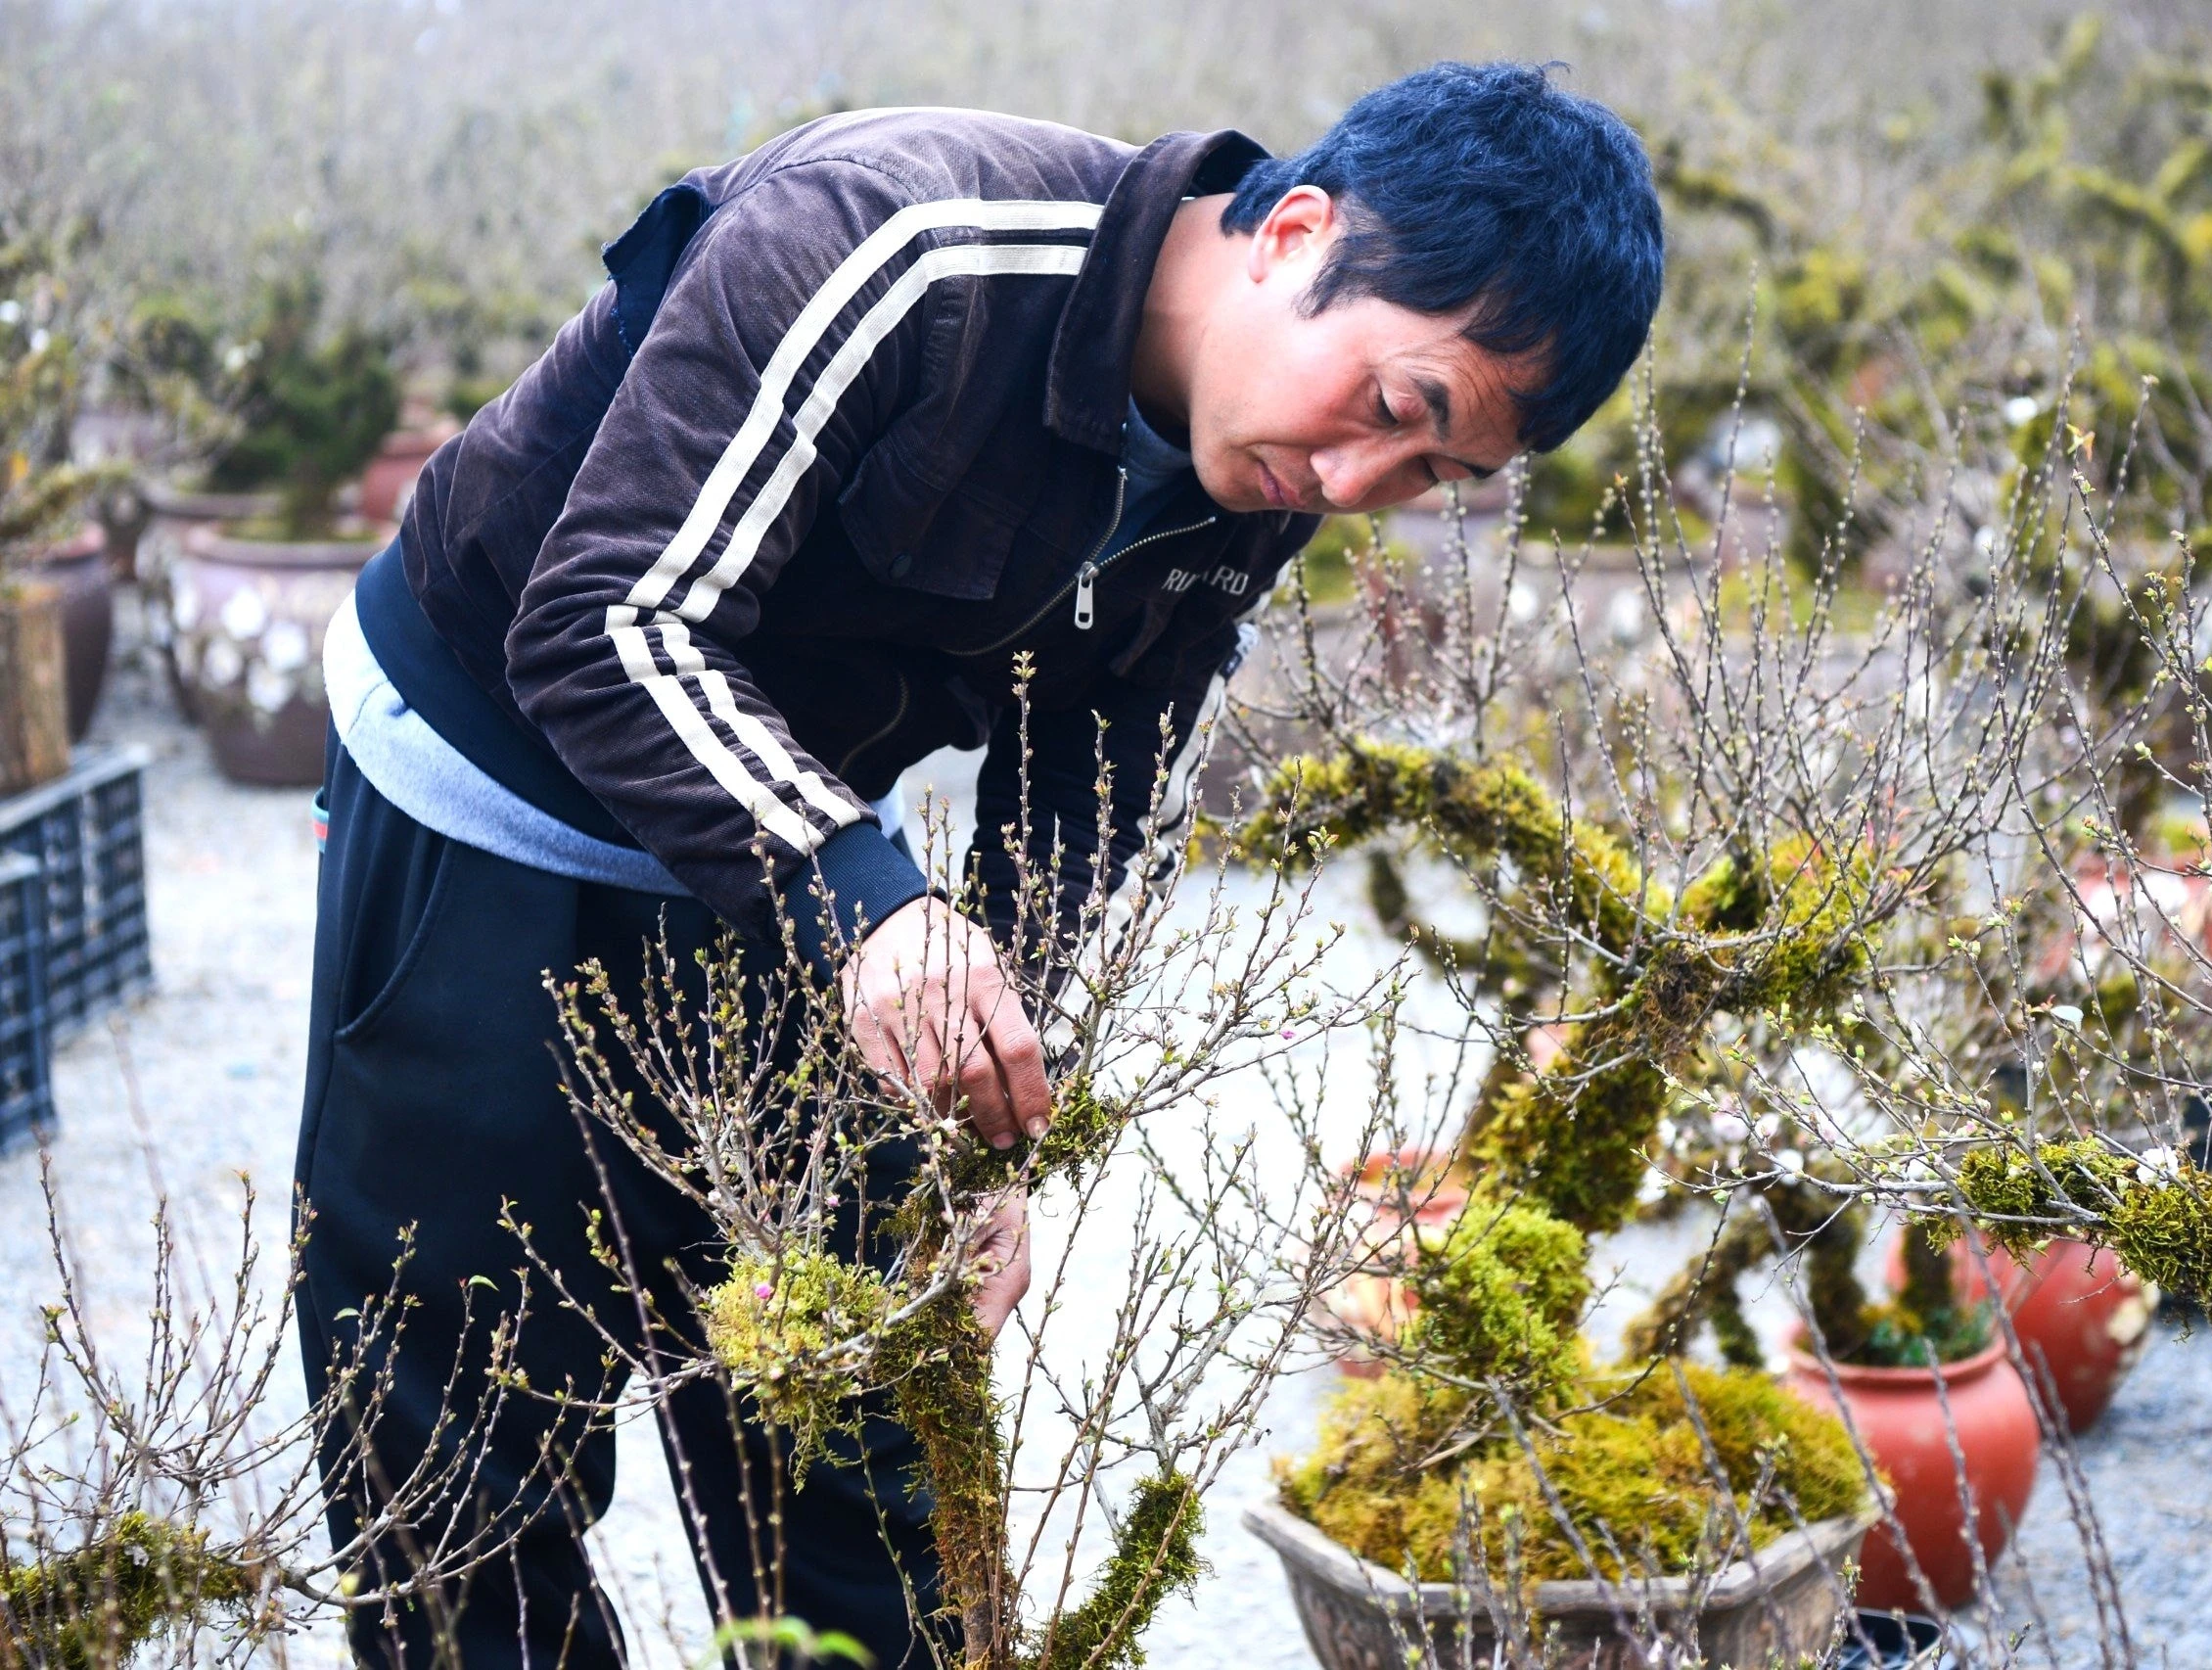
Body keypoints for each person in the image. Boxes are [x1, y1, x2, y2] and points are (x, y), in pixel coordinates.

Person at [295, 60, 1663, 1669]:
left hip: (792, 852)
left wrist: (991, 1116)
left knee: (868, 1456)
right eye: (1396, 409)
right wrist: (867, 906)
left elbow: (1098, 776)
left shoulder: (1261, 453)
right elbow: (608, 620)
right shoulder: (903, 239)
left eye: (1434, 475)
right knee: (462, 1478)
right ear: (1298, 232)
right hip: (496, 786)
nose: (1361, 484)